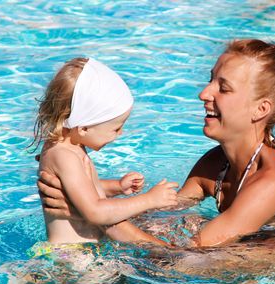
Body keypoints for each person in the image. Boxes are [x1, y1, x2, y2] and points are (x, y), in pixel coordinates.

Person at [38, 39, 275, 247]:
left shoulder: (274, 181)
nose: (204, 93)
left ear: (260, 110)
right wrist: (84, 197)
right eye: (210, 80)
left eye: (223, 88)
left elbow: (186, 259)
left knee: (228, 263)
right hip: (250, 243)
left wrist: (93, 214)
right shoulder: (216, 164)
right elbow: (161, 215)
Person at [33, 57, 178, 245]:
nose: (120, 133)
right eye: (115, 129)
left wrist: (117, 186)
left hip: (83, 253)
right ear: (83, 127)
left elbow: (81, 188)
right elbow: (95, 211)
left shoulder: (70, 145)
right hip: (72, 257)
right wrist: (149, 200)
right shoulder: (63, 155)